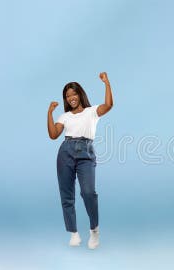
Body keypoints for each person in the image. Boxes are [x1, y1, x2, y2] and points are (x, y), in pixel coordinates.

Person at [47, 72, 114, 249]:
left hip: (86, 151)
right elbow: (54, 135)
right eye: (67, 96)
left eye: (73, 94)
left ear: (80, 94)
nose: (71, 98)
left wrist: (106, 83)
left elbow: (109, 105)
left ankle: (94, 230)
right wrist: (50, 112)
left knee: (88, 192)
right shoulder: (64, 116)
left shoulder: (92, 112)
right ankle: (74, 233)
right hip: (66, 152)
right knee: (66, 195)